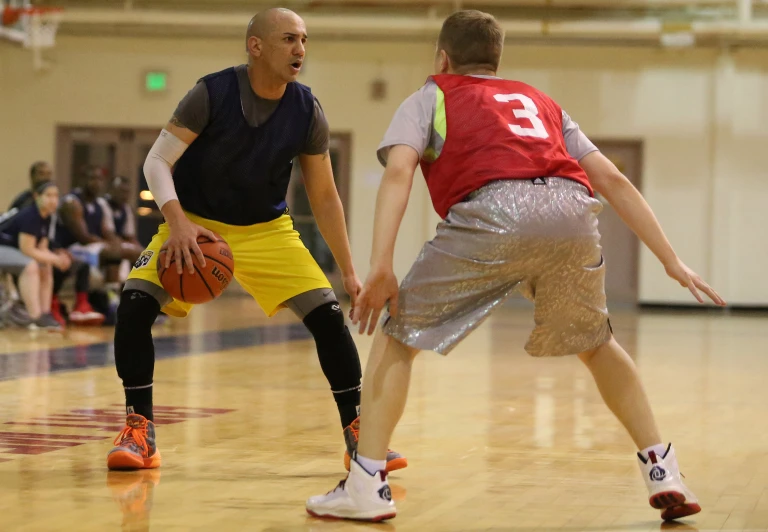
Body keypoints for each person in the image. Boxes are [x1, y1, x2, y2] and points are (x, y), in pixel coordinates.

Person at [306, 10, 726, 523]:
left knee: (397, 337)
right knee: (599, 345)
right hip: (572, 210)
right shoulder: (542, 102)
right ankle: (664, 469)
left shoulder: (430, 95)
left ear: (443, 57)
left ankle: (366, 483)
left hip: (494, 212)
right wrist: (670, 258)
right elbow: (612, 180)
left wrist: (381, 266)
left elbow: (398, 173)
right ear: (496, 59)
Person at [106, 8, 406, 474]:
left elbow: (324, 196)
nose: (300, 49)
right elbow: (156, 162)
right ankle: (139, 429)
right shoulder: (212, 92)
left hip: (268, 231)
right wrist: (178, 222)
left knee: (328, 318)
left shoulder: (306, 109)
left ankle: (359, 436)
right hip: (196, 225)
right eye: (289, 39)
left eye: (304, 40)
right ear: (256, 46)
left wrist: (348, 271)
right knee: (133, 305)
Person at [0, 182, 71, 330]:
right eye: (48, 195)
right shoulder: (30, 215)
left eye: (56, 196)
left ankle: (45, 314)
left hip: (12, 249)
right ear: (36, 197)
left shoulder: (47, 217)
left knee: (45, 265)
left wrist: (58, 258)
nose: (53, 200)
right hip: (3, 247)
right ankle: (34, 316)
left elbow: (42, 248)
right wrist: (56, 259)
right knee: (30, 265)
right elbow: (27, 250)